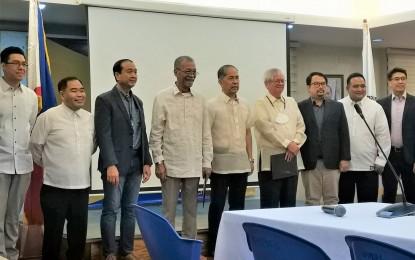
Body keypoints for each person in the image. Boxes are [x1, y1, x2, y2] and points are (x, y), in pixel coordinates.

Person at [29, 77, 95, 260]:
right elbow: (35, 146)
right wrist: (52, 163)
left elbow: (93, 147)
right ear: (62, 94)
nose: (80, 94)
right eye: (74, 90)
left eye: (82, 90)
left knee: (78, 239)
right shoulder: (48, 117)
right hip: (54, 188)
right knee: (53, 238)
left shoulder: (91, 119)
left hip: (81, 189)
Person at [149, 56, 213, 239]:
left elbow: (206, 134)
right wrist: (159, 161)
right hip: (170, 165)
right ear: (176, 72)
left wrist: (207, 161)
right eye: (187, 71)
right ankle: (168, 250)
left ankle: (189, 251)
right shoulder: (162, 98)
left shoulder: (200, 100)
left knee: (191, 214)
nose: (191, 75)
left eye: (194, 72)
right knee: (168, 213)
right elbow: (155, 134)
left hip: (193, 165)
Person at [95, 59, 152, 260]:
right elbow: (103, 134)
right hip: (115, 165)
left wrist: (147, 161)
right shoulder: (105, 100)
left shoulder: (138, 102)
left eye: (136, 71)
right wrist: (110, 163)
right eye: (129, 71)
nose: (134, 74)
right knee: (111, 210)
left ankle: (126, 251)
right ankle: (109, 252)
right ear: (117, 76)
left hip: (136, 164)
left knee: (130, 210)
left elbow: (141, 132)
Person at [206, 65, 253, 256]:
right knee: (217, 205)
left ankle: (235, 245)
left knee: (238, 206)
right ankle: (214, 247)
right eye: (231, 78)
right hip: (219, 164)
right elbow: (206, 135)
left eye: (237, 78)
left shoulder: (244, 104)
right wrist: (206, 161)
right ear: (220, 81)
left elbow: (248, 132)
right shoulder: (211, 105)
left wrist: (250, 158)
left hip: (241, 163)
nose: (235, 82)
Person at [0, 46, 38, 260]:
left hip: (22, 163)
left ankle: (12, 255)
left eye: (24, 64)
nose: (21, 67)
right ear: (3, 66)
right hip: (0, 162)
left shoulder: (31, 97)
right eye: (16, 63)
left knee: (14, 215)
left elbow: (30, 127)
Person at [253, 68, 306, 208]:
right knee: (270, 204)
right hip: (271, 161)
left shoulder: (291, 102)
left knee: (289, 204)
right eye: (277, 81)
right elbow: (266, 129)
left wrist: (295, 143)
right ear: (266, 84)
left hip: (291, 159)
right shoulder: (260, 103)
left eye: (283, 81)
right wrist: (287, 144)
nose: (281, 83)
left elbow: (301, 125)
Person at [298, 72, 350, 206]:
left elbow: (343, 133)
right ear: (308, 87)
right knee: (312, 200)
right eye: (316, 84)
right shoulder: (300, 107)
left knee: (332, 199)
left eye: (323, 84)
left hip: (332, 162)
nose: (320, 87)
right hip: (309, 161)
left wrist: (345, 158)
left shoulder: (337, 107)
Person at [338, 73, 390, 203]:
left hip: (369, 168)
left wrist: (381, 161)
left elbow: (383, 136)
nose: (360, 89)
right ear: (347, 88)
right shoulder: (338, 106)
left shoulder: (376, 107)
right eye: (355, 86)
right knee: (344, 205)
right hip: (344, 167)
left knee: (368, 207)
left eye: (363, 86)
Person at [378, 67, 415, 204]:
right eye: (396, 79)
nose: (400, 82)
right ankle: (387, 222)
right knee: (388, 193)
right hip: (389, 156)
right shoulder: (381, 104)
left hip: (409, 157)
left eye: (403, 79)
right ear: (389, 83)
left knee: (412, 193)